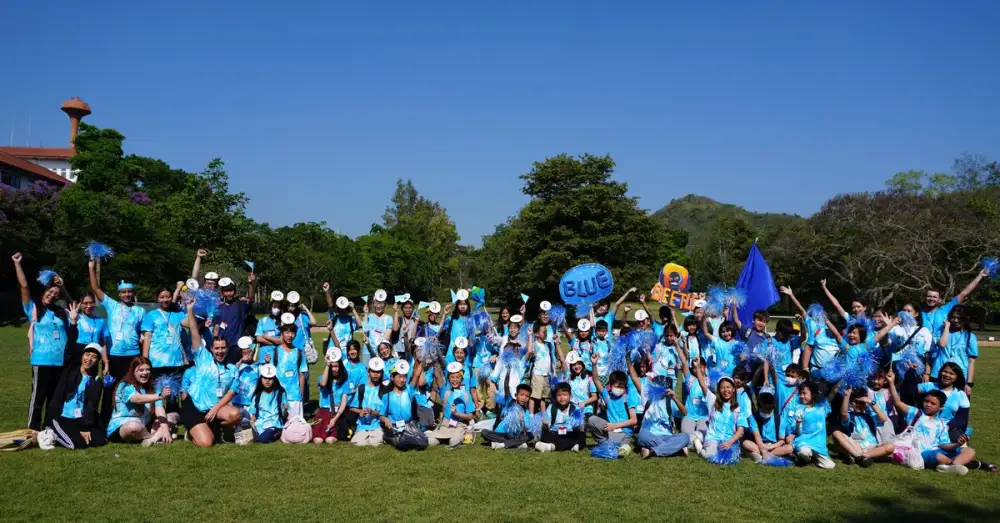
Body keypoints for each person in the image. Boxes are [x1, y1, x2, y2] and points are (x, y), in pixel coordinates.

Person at [12, 253, 73, 430]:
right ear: (44, 292)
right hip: (42, 360)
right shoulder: (33, 308)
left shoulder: (62, 313)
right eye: (50, 292)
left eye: (56, 294)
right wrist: (17, 264)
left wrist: (63, 287)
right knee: (38, 397)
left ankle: (49, 429)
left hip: (60, 362)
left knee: (54, 399)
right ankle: (33, 429)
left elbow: (74, 306)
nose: (52, 295)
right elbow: (24, 286)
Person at [886, 369, 978, 475]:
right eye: (926, 401)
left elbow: (944, 445)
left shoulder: (941, 424)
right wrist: (891, 383)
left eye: (933, 403)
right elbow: (898, 403)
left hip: (939, 450)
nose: (928, 405)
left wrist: (957, 444)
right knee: (938, 456)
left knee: (969, 451)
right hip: (924, 453)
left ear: (941, 407)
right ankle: (955, 464)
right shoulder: (915, 413)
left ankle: (953, 465)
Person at [88, 259, 146, 424]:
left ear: (133, 293)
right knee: (110, 389)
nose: (127, 294)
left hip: (133, 355)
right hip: (114, 356)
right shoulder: (111, 305)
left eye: (129, 292)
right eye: (124, 292)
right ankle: (105, 421)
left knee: (132, 388)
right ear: (119, 294)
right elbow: (96, 289)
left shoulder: (140, 311)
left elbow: (144, 333)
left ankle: (131, 419)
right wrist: (91, 267)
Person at [180, 302, 242, 447]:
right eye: (217, 348)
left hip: (214, 407)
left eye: (223, 348)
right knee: (206, 443)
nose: (220, 351)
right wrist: (190, 310)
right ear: (211, 349)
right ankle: (192, 432)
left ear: (227, 349)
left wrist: (215, 410)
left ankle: (214, 427)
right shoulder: (203, 358)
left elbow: (230, 394)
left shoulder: (233, 369)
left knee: (235, 415)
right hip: (195, 406)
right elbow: (194, 332)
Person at [46, 340, 108, 450]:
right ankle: (51, 432)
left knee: (99, 440)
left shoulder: (96, 381)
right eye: (87, 355)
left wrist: (86, 427)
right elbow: (69, 348)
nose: (89, 359)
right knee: (77, 444)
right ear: (82, 355)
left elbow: (92, 405)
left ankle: (73, 432)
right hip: (64, 416)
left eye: (94, 357)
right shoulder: (70, 371)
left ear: (97, 361)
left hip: (81, 418)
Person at [140, 287, 188, 413]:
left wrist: (187, 300)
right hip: (156, 362)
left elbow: (191, 323)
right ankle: (156, 418)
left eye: (168, 296)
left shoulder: (179, 314)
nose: (165, 299)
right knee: (157, 393)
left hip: (176, 361)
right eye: (162, 297)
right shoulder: (151, 315)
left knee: (173, 394)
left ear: (172, 297)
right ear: (157, 298)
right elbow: (147, 338)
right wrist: (145, 360)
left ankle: (172, 419)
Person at [105, 356, 172, 445]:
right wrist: (160, 396)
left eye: (148, 370)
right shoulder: (124, 386)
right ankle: (155, 437)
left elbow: (159, 409)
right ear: (133, 371)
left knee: (172, 416)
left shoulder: (154, 387)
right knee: (133, 427)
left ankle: (153, 439)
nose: (145, 373)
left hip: (145, 424)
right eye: (141, 370)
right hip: (123, 427)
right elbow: (138, 399)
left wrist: (166, 430)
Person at [586, 353, 637, 457]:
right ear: (610, 385)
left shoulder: (628, 398)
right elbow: (596, 380)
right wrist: (594, 364)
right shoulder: (607, 396)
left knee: (621, 445)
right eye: (617, 386)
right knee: (592, 420)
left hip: (624, 433)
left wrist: (615, 426)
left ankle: (615, 445)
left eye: (622, 387)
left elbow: (634, 420)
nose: (620, 389)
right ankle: (605, 442)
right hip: (610, 429)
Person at [831, 388, 895, 467]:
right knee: (836, 433)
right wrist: (847, 396)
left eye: (861, 402)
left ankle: (864, 456)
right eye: (855, 402)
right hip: (856, 446)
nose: (858, 405)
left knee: (890, 447)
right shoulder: (850, 416)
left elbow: (883, 418)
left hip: (872, 446)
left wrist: (871, 401)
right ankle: (859, 457)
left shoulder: (869, 416)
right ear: (851, 403)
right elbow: (843, 413)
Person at [921, 268, 989, 342]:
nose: (931, 299)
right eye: (929, 296)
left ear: (940, 299)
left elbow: (964, 293)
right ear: (925, 298)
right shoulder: (919, 314)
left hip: (941, 348)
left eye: (934, 297)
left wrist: (980, 276)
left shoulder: (945, 309)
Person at [692, 374, 747, 462]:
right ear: (719, 390)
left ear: (733, 389)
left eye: (728, 387)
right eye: (722, 388)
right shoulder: (713, 401)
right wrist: (698, 369)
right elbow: (703, 385)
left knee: (729, 460)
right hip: (713, 438)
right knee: (711, 456)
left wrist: (729, 442)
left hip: (729, 441)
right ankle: (699, 447)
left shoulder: (738, 409)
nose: (726, 390)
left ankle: (701, 438)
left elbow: (740, 431)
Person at [782, 381, 835, 469]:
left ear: (813, 394)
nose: (801, 396)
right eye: (800, 393)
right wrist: (798, 423)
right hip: (804, 442)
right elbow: (798, 432)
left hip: (819, 444)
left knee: (830, 466)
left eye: (804, 393)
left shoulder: (822, 407)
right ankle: (800, 456)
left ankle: (812, 459)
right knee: (804, 453)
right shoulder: (799, 409)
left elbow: (833, 393)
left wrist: (841, 378)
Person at [636, 375, 690, 459]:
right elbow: (635, 378)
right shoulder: (647, 398)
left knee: (685, 437)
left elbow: (685, 413)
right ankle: (676, 449)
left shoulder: (670, 402)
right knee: (641, 436)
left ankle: (652, 452)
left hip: (667, 436)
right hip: (649, 435)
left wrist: (675, 399)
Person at [379, 359, 429, 451]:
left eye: (404, 377)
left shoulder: (409, 391)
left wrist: (423, 359)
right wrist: (385, 419)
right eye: (399, 377)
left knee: (423, 442)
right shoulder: (387, 396)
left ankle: (407, 438)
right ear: (392, 378)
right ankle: (395, 439)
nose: (402, 380)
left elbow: (416, 375)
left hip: (407, 425)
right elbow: (381, 415)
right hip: (394, 427)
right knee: (401, 443)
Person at [427, 361, 478, 446]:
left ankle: (467, 432)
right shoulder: (446, 392)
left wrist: (457, 414)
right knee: (431, 441)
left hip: (460, 424)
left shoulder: (466, 395)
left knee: (453, 442)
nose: (455, 380)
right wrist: (435, 364)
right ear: (449, 379)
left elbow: (470, 416)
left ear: (461, 379)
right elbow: (438, 378)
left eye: (457, 377)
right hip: (446, 424)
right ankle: (446, 436)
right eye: (452, 377)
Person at [313, 348, 357, 444]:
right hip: (323, 413)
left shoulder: (345, 382)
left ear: (340, 367)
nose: (334, 369)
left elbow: (343, 403)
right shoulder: (322, 378)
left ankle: (338, 433)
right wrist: (327, 365)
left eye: (336, 366)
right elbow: (323, 383)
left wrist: (335, 418)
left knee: (330, 440)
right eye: (332, 367)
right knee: (318, 440)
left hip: (336, 414)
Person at [742, 387, 793, 462]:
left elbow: (782, 440)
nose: (766, 412)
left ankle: (762, 454)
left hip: (774, 446)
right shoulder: (753, 417)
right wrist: (763, 449)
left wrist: (770, 447)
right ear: (759, 407)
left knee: (789, 448)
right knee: (745, 443)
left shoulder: (780, 419)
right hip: (758, 444)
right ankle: (767, 455)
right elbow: (757, 435)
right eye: (764, 410)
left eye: (769, 410)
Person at [931, 311, 977, 394]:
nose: (955, 320)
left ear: (965, 319)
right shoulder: (941, 331)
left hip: (959, 375)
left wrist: (969, 383)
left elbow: (971, 361)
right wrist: (946, 327)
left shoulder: (970, 336)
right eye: (953, 317)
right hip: (939, 373)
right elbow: (942, 344)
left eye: (959, 318)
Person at [272, 314, 308, 418]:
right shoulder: (276, 351)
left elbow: (302, 375)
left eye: (293, 332)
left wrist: (301, 396)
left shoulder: (299, 352)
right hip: (279, 395)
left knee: (295, 424)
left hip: (295, 396)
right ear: (282, 333)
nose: (290, 335)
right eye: (287, 332)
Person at [536, 382, 586, 452]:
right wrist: (545, 424)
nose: (562, 398)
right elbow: (547, 424)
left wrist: (578, 423)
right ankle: (571, 446)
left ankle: (552, 446)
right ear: (555, 396)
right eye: (559, 395)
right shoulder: (551, 408)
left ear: (570, 396)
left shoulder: (575, 408)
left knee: (582, 435)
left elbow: (580, 425)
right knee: (545, 435)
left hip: (570, 434)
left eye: (565, 395)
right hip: (555, 433)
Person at [216, 274, 256, 364]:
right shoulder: (219, 308)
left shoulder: (241, 305)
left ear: (235, 291)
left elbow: (251, 298)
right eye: (226, 291)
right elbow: (217, 327)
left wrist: (251, 284)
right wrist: (215, 343)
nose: (229, 293)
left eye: (231, 290)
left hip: (236, 345)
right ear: (222, 293)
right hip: (222, 346)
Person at [349, 357, 388, 447]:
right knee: (360, 443)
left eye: (378, 372)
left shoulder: (384, 390)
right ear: (368, 372)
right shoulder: (361, 388)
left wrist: (372, 412)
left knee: (375, 442)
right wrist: (360, 411)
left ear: (382, 373)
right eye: (373, 371)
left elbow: (384, 411)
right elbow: (352, 407)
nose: (375, 374)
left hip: (377, 424)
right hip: (362, 424)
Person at [482, 384, 533, 450]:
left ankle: (503, 444)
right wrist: (507, 377)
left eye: (527, 396)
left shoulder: (526, 412)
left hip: (514, 436)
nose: (524, 398)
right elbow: (506, 388)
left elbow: (527, 427)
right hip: (501, 434)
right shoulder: (509, 402)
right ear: (516, 395)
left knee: (530, 435)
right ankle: (515, 443)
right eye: (522, 395)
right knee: (484, 432)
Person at [249, 363, 287, 443]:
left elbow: (284, 415)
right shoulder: (257, 396)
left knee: (262, 439)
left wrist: (285, 410)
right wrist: (251, 424)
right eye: (265, 378)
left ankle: (277, 433)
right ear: (261, 379)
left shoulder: (280, 393)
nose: (267, 381)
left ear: (274, 379)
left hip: (273, 424)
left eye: (270, 378)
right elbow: (254, 415)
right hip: (259, 424)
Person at [76, 292, 110, 377]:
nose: (89, 306)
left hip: (94, 356)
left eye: (91, 302)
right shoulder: (75, 318)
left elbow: (102, 343)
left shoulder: (100, 321)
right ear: (80, 304)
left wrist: (106, 363)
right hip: (78, 355)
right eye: (85, 303)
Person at [254, 292, 285, 362]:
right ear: (271, 306)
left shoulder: (283, 322)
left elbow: (282, 340)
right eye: (275, 306)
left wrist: (266, 337)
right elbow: (258, 339)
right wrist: (276, 341)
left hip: (278, 355)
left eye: (279, 307)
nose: (277, 309)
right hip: (264, 356)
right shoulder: (262, 321)